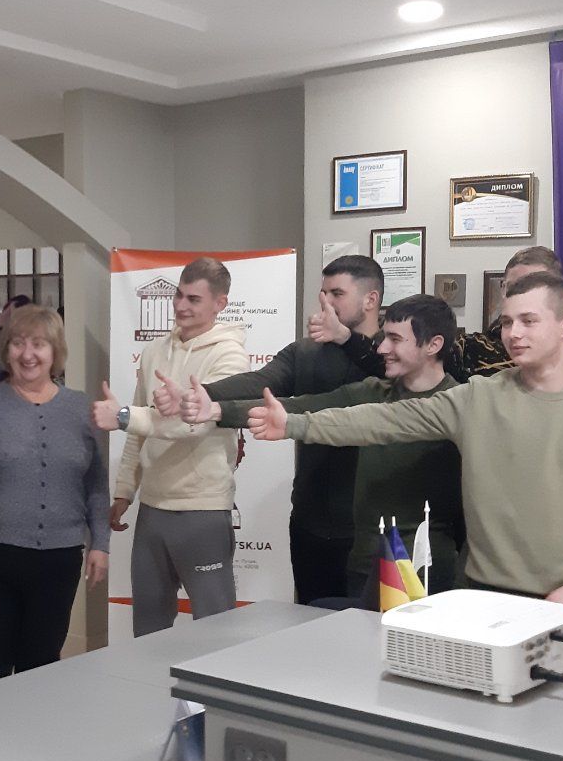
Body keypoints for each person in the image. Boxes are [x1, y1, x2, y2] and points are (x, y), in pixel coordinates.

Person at [243, 273, 563, 605]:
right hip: (481, 597)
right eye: (506, 322)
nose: (513, 333)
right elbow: (385, 420)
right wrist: (295, 424)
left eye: (528, 321)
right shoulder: (477, 397)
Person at [176, 294, 464, 608]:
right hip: (365, 561)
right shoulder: (373, 392)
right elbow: (302, 406)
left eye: (395, 339)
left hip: (426, 567)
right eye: (384, 338)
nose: (382, 349)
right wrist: (217, 409)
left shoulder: (461, 405)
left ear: (433, 345)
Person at [153, 255, 386, 604]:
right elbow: (260, 381)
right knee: (312, 620)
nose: (326, 303)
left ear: (370, 300)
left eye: (337, 294)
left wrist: (345, 339)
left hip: (369, 528)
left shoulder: (390, 354)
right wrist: (201, 394)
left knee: (367, 627)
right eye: (323, 294)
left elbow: (339, 396)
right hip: (310, 521)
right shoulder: (306, 352)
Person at [0, 305, 109, 687]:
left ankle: (32, 728)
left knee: (41, 668)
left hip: (58, 559)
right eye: (17, 343)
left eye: (38, 344)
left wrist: (101, 543)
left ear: (55, 352)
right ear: (6, 349)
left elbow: (95, 482)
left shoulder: (81, 408)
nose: (28, 354)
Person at [91, 257, 250, 636]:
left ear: (220, 304)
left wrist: (125, 416)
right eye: (179, 295)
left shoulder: (230, 356)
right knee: (148, 628)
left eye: (193, 299)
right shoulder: (154, 352)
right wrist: (124, 490)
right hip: (152, 509)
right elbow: (140, 432)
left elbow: (191, 424)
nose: (180, 305)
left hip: (202, 510)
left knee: (215, 630)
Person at [460, 246, 563, 377]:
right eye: (514, 286)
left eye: (535, 286)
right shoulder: (468, 350)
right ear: (503, 289)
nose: (522, 294)